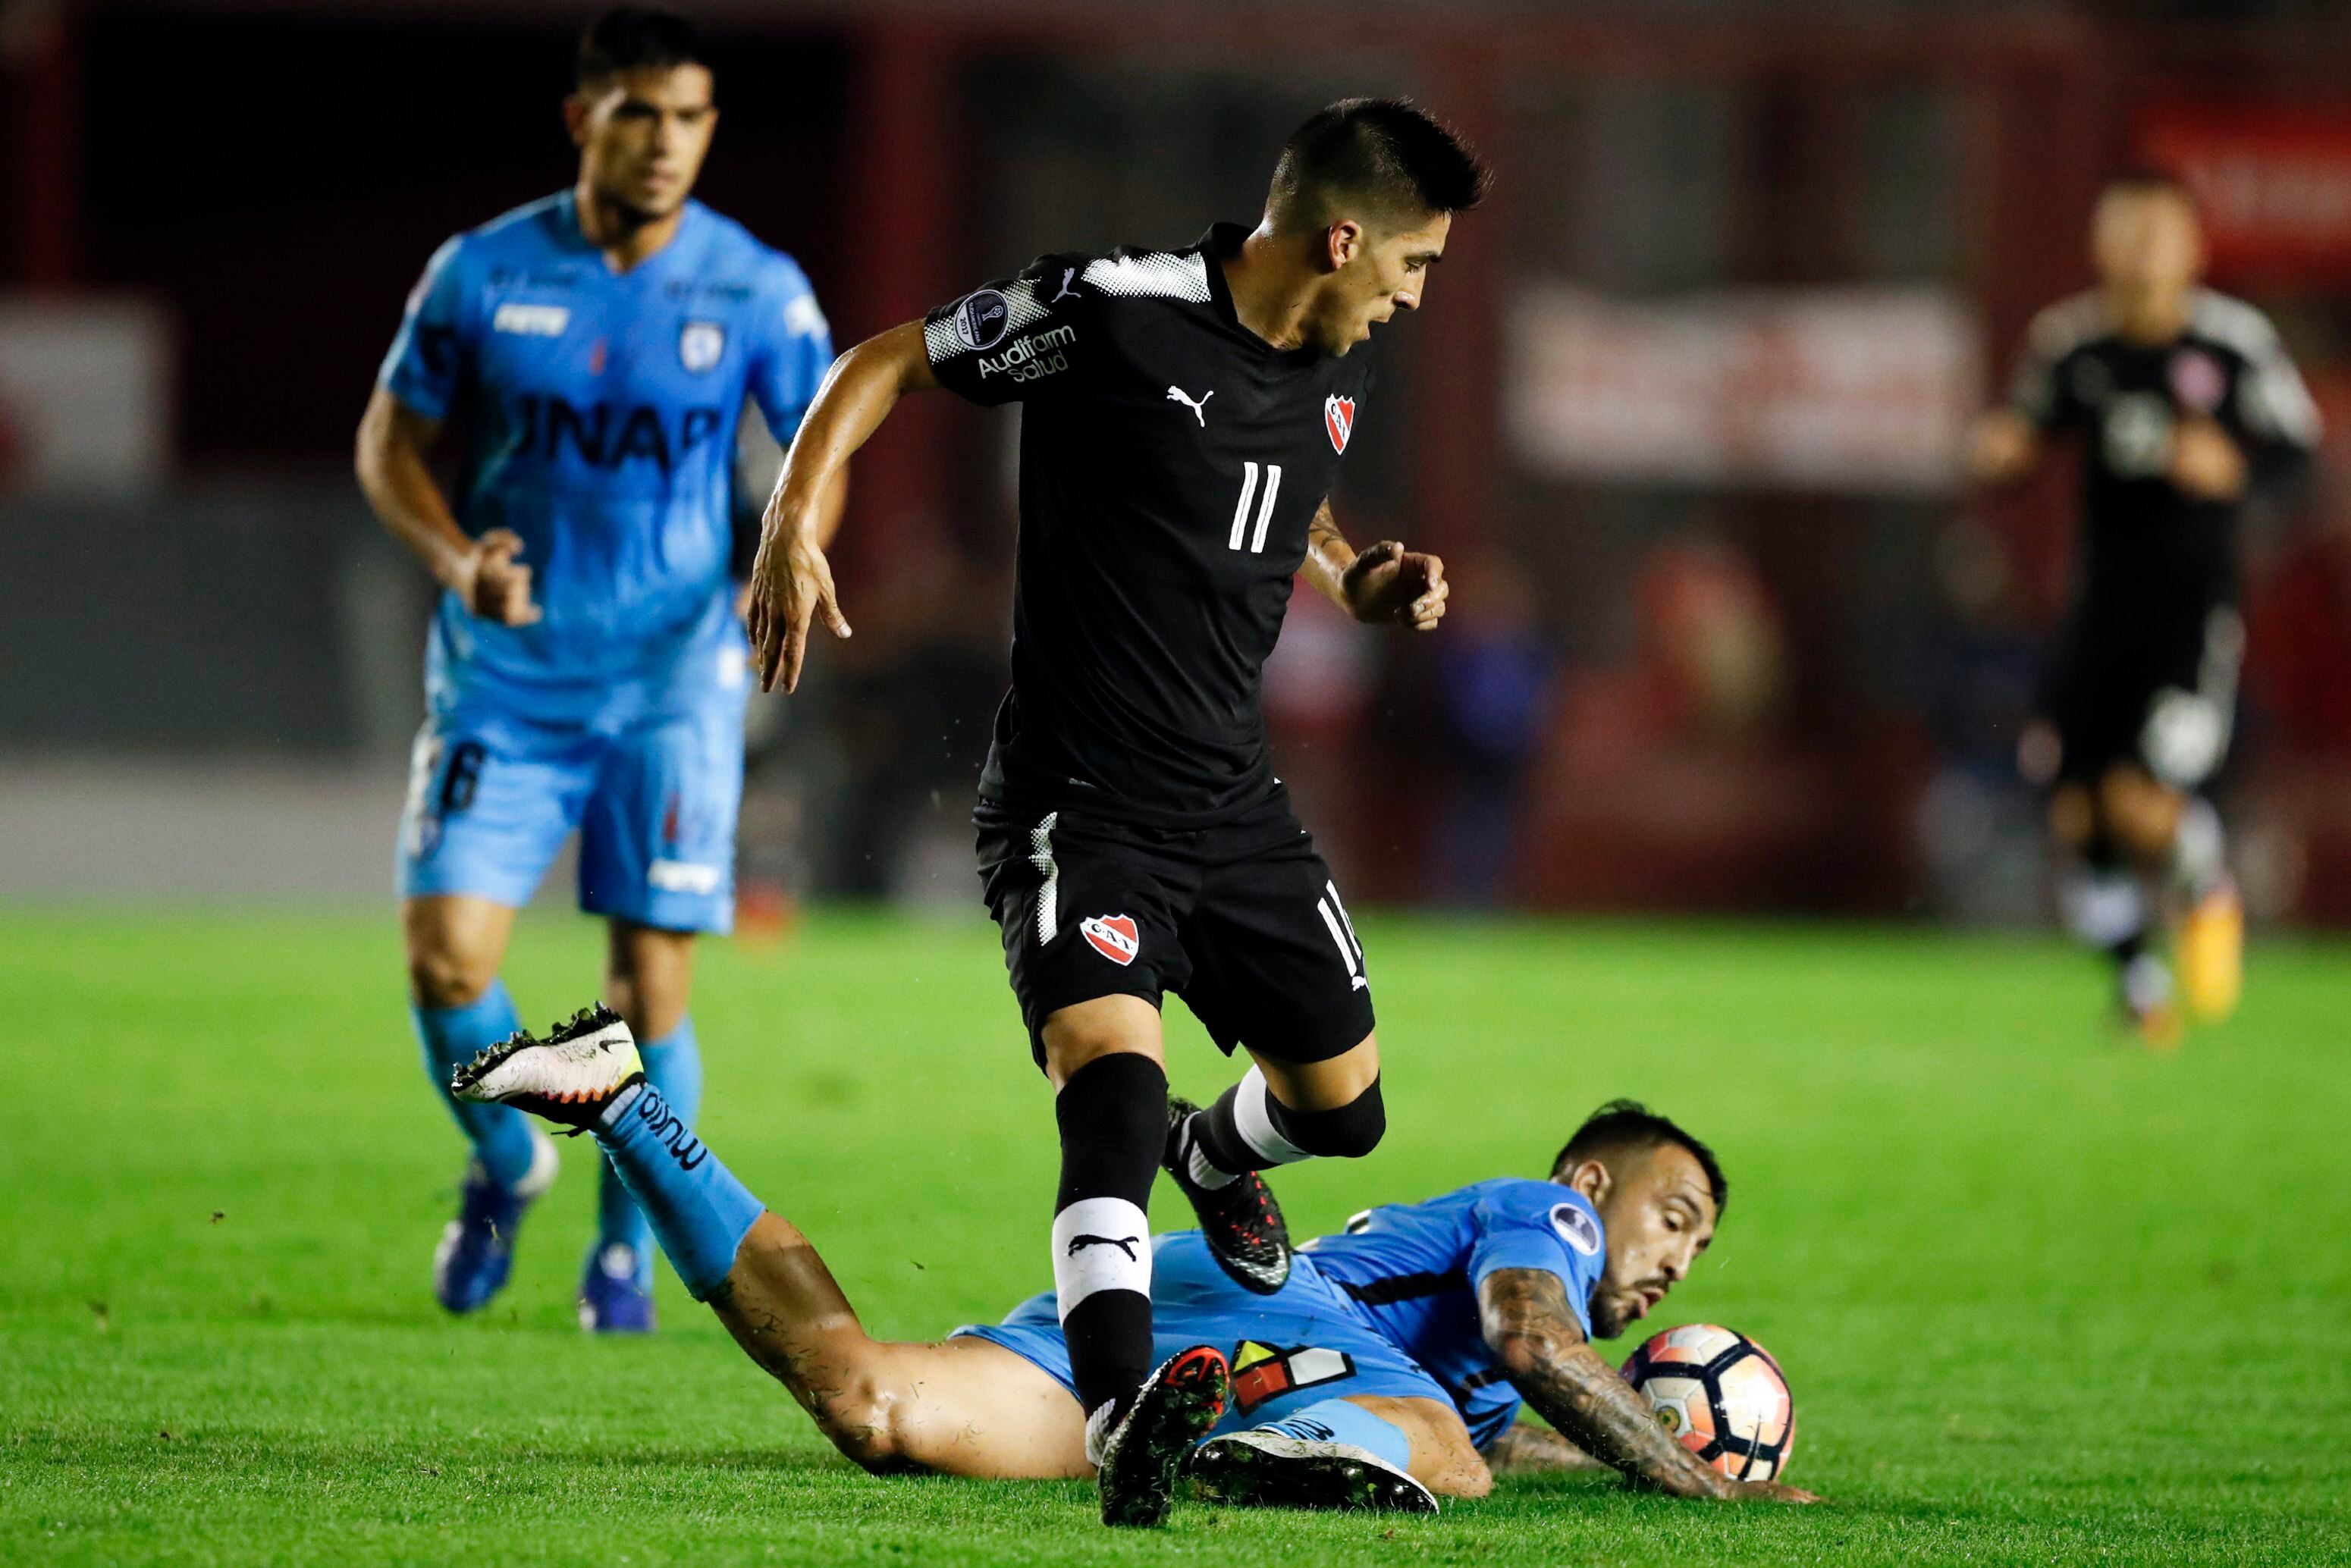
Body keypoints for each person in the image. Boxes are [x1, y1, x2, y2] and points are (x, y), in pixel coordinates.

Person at [741, 98, 1480, 1520]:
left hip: (1237, 805)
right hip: (1084, 804)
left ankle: (1214, 1158)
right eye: (1414, 264)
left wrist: (1357, 577)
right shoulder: (1114, 310)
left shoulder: (1333, 367)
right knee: (1111, 1083)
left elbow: (1295, 500)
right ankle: (1122, 1408)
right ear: (1341, 237)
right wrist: (792, 519)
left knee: (1349, 1110)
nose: (1411, 296)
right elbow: (889, 359)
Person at [451, 1008, 1820, 1520]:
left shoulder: (1483, 1354)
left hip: (1189, 1311)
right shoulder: (1548, 1217)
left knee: (875, 1404)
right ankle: (1239, 1448)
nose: (1679, 1257)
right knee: (1433, 1453)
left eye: (1698, 1243)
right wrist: (1707, 1489)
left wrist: (1646, 1461)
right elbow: (1533, 1345)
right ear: (1596, 1180)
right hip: (1283, 1308)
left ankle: (626, 1103)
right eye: (1677, 1212)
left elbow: (1517, 1426)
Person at [353, 5, 837, 1331]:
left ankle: (624, 1248)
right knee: (448, 957)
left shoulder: (755, 285)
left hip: (674, 675)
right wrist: (458, 561)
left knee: (651, 986)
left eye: (689, 116)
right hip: (507, 667)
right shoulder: (483, 272)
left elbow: (822, 443)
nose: (666, 141)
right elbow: (389, 445)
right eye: (639, 113)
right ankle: (512, 1155)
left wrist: (796, 546)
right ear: (584, 121)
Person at [1972, 172, 2318, 1046]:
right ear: (2097, 244)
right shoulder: (2070, 344)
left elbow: (2300, 460)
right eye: (2122, 231)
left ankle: (2205, 885)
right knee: (2076, 811)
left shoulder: (2232, 344)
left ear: (2191, 245)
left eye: (2156, 231)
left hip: (2189, 615)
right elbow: (2022, 434)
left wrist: (2234, 465)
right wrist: (1999, 450)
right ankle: (2140, 986)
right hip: (2096, 611)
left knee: (2139, 801)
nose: (2139, 250)